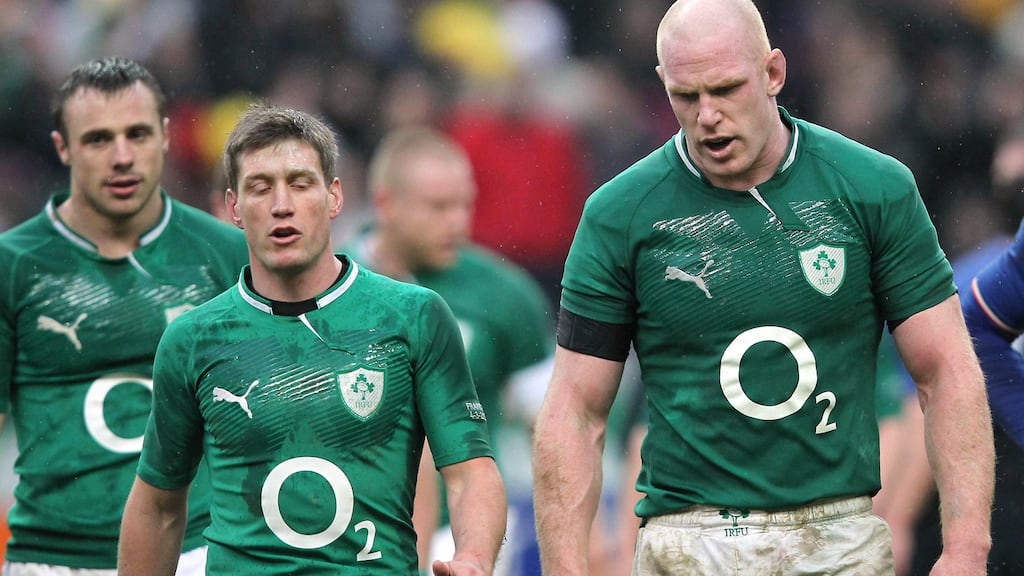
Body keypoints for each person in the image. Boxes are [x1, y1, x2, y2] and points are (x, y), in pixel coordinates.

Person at [530, 0, 995, 574]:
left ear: (774, 73)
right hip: (687, 540)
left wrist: (966, 548)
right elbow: (575, 408)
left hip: (837, 534)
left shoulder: (874, 189)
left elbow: (947, 368)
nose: (707, 116)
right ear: (662, 85)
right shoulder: (619, 214)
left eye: (725, 89)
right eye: (686, 96)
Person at [117, 104, 507, 576]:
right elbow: (158, 505)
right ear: (234, 207)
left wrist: (473, 558)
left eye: (300, 184)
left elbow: (470, 473)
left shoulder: (414, 315)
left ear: (334, 197)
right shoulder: (193, 338)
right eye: (260, 188)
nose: (282, 204)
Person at [0, 56, 248, 576]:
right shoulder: (12, 266)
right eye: (97, 139)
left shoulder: (226, 254)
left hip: (202, 551)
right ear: (62, 147)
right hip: (54, 559)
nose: (121, 156)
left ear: (163, 136)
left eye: (137, 134)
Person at [350, 125, 554, 574]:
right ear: (387, 204)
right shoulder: (330, 285)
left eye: (465, 203)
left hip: (465, 536)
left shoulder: (504, 294)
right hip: (351, 531)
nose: (458, 221)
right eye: (439, 207)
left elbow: (552, 428)